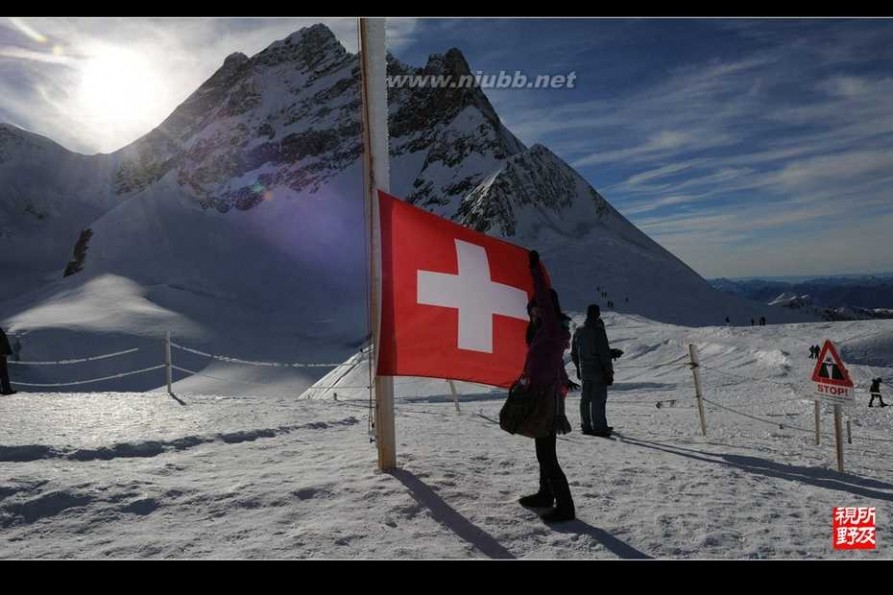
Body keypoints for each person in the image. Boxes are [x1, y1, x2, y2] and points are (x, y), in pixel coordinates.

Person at [517, 250, 576, 523]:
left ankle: (565, 507)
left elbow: (543, 294)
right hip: (542, 397)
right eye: (532, 310)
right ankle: (545, 494)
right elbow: (552, 364)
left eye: (538, 308)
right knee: (543, 450)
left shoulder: (551, 329)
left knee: (547, 454)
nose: (535, 311)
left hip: (546, 401)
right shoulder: (543, 334)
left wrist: (534, 270)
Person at [572, 304, 614, 438]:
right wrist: (609, 372)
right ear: (598, 314)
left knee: (585, 399)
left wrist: (578, 367)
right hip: (598, 370)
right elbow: (604, 354)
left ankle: (586, 425)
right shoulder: (598, 330)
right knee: (598, 399)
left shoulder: (578, 330)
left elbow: (574, 353)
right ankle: (599, 427)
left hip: (584, 369)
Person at [0, 326, 17, 395]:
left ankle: (6, 389)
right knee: (3, 373)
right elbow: (3, 341)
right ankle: (6, 389)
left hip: (2, 353)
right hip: (1, 354)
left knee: (3, 373)